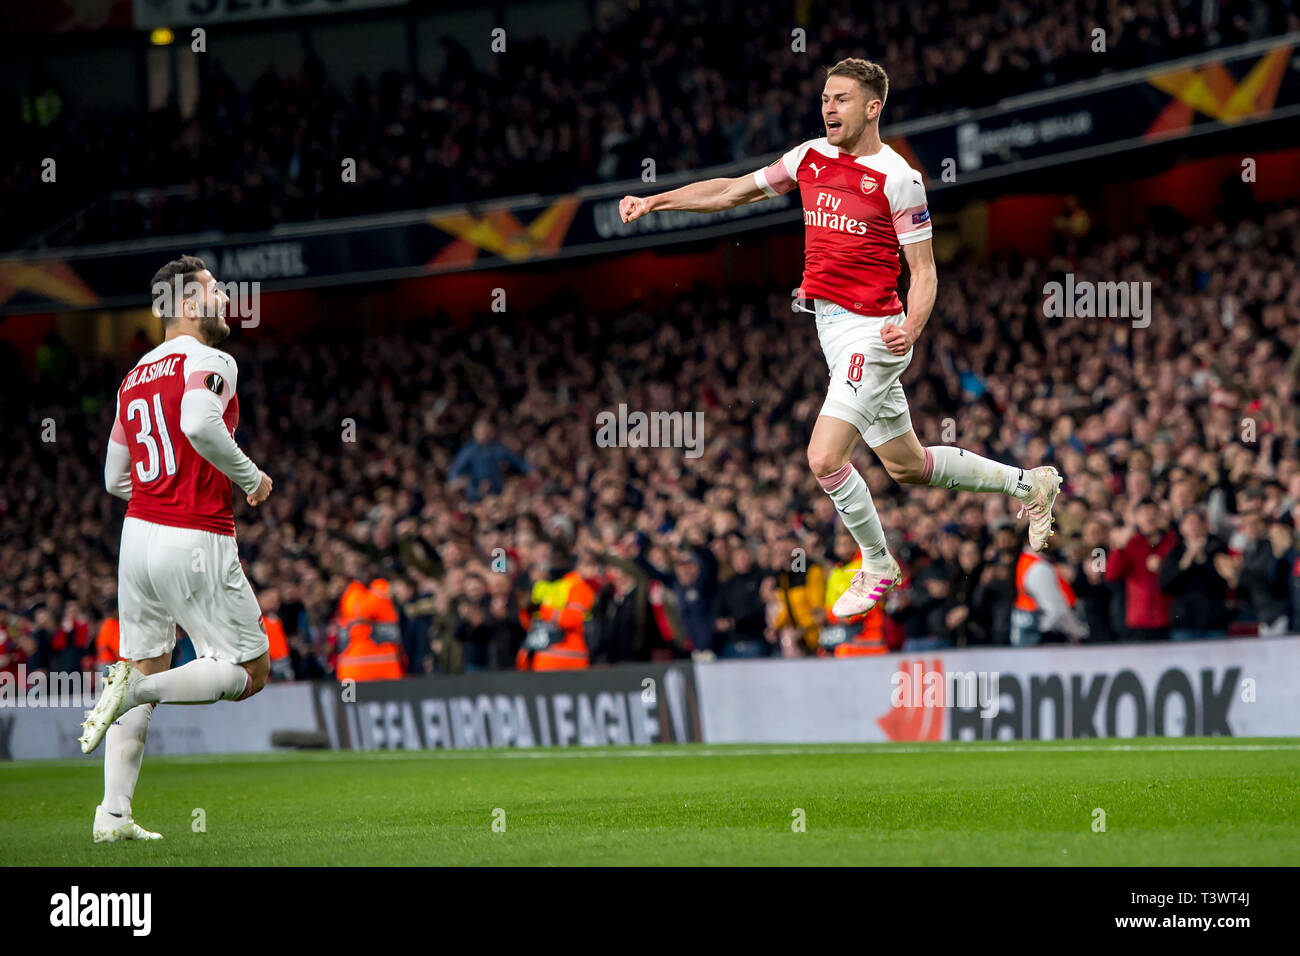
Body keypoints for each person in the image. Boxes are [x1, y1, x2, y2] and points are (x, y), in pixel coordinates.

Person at [619, 57, 1059, 623]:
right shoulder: (808, 157)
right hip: (830, 330)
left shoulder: (899, 178)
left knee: (824, 457)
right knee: (907, 466)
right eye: (826, 97)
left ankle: (877, 562)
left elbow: (923, 272)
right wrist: (656, 201)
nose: (829, 107)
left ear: (873, 108)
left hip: (874, 333)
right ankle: (1032, 483)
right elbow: (731, 192)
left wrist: (913, 328)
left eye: (842, 98)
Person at [79, 255, 274, 844]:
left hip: (136, 540)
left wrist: (159, 492)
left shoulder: (134, 375)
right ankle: (132, 690)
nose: (224, 301)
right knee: (251, 669)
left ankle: (112, 816)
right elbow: (198, 422)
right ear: (187, 305)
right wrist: (250, 476)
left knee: (145, 661)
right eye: (214, 292)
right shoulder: (212, 360)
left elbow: (115, 477)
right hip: (195, 534)